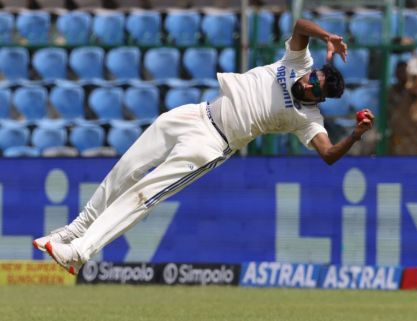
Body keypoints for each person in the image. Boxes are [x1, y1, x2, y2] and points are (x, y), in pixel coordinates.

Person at [33, 18, 375, 275]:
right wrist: (327, 35)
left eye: (315, 88)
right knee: (126, 168)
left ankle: (80, 251)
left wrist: (356, 134)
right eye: (312, 78)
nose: (308, 83)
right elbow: (300, 25)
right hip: (197, 113)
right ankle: (73, 231)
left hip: (213, 143)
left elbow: (329, 154)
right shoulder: (298, 63)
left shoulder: (308, 118)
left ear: (320, 98)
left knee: (144, 194)